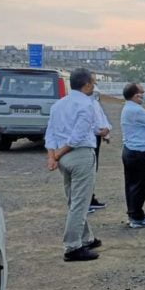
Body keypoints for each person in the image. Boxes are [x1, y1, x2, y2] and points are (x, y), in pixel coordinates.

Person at [45, 68, 107, 262]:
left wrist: (52, 156)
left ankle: (86, 237)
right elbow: (77, 137)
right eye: (93, 82)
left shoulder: (58, 105)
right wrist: (58, 154)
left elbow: (50, 133)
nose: (94, 86)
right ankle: (72, 247)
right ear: (87, 84)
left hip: (63, 158)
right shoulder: (86, 105)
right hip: (79, 155)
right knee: (80, 202)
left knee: (74, 199)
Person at [120, 83, 145, 229]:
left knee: (131, 185)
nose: (144, 95)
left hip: (131, 151)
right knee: (139, 185)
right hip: (138, 153)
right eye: (142, 92)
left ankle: (133, 214)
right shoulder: (136, 110)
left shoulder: (128, 108)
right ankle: (137, 217)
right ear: (136, 95)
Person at [89, 84, 112, 212]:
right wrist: (100, 131)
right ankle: (86, 201)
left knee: (93, 169)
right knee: (88, 169)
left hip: (96, 138)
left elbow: (102, 118)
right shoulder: (85, 104)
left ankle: (90, 198)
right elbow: (87, 124)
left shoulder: (95, 104)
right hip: (89, 138)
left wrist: (106, 131)